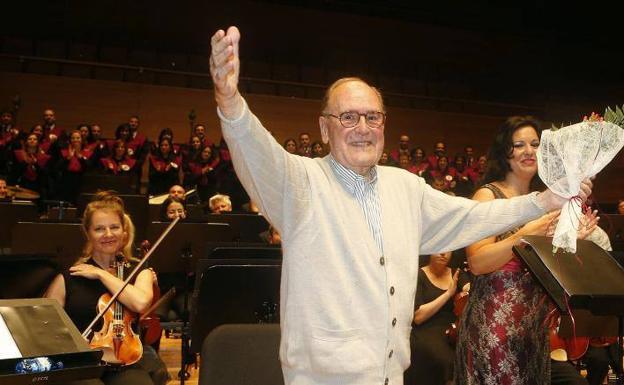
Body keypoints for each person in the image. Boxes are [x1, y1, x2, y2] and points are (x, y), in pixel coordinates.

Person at [209, 26, 592, 385]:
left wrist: (544, 200)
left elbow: (472, 216)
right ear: (325, 128)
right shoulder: (301, 183)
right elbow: (257, 155)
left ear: (384, 125)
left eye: (372, 117)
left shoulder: (405, 187)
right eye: (348, 117)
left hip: (391, 373)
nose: (363, 127)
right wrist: (230, 102)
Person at [454, 116, 567, 385]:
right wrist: (527, 233)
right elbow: (478, 262)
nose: (529, 151)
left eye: (535, 144)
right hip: (494, 332)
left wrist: (570, 241)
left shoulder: (546, 201)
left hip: (533, 332)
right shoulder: (488, 196)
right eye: (519, 145)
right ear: (505, 153)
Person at [44, 192, 166, 385]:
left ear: (124, 231)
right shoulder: (68, 277)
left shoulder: (139, 271)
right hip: (81, 365)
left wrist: (101, 273)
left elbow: (141, 303)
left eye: (114, 227)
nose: (108, 234)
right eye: (99, 229)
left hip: (123, 361)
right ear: (88, 233)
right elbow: (46, 325)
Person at [403, 251, 469, 385]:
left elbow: (469, 289)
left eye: (448, 249)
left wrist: (470, 288)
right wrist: (448, 294)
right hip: (425, 329)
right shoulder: (418, 275)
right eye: (439, 248)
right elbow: (418, 317)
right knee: (446, 360)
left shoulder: (456, 273)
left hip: (453, 330)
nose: (443, 253)